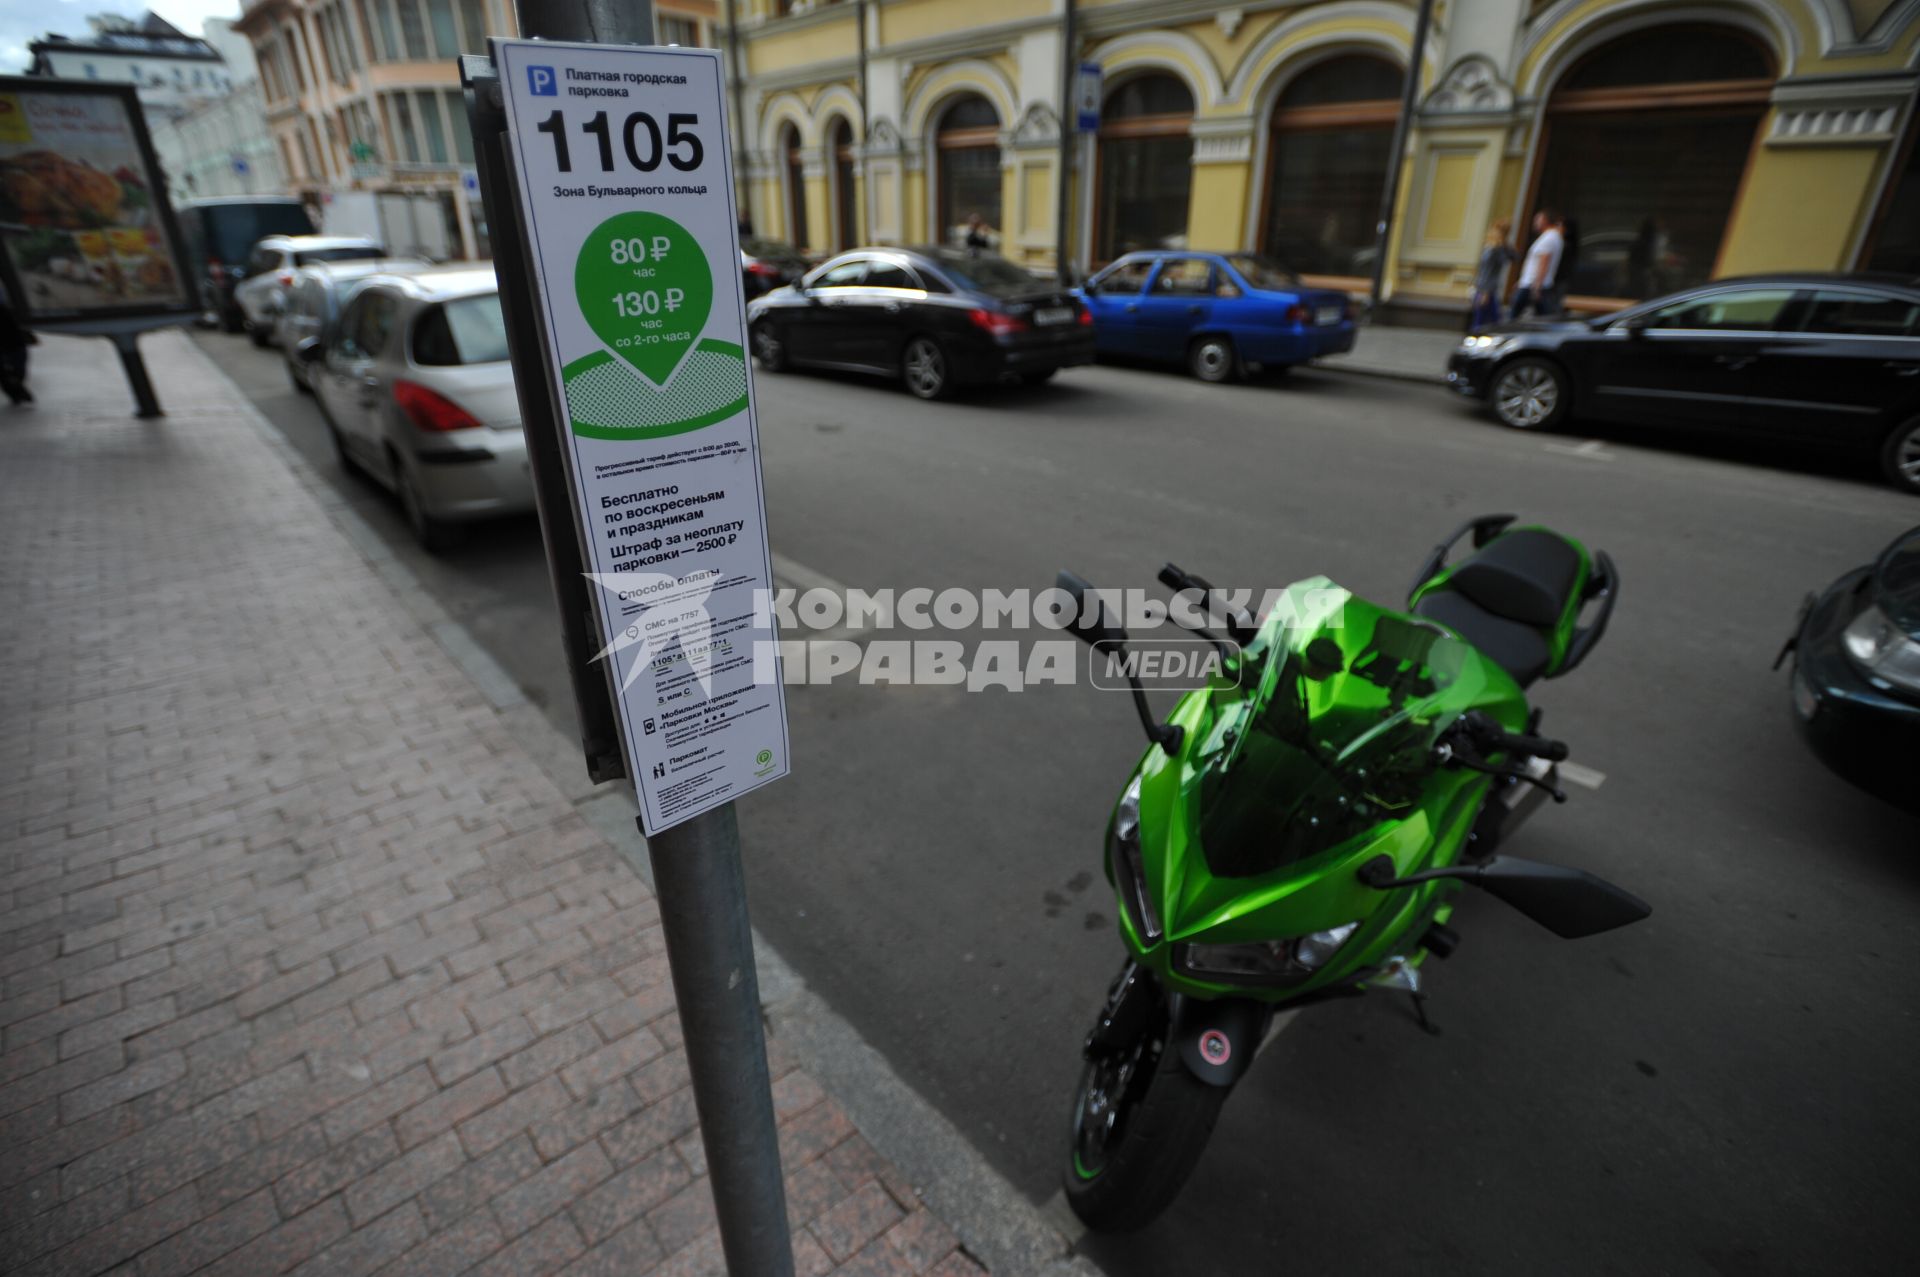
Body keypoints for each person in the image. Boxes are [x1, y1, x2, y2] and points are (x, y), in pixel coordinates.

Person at [1510, 208, 1564, 321]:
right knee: (1541, 316)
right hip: (1531, 283)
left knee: (1513, 316)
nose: (1535, 223)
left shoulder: (1549, 238)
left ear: (1545, 220)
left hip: (1532, 285)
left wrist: (1537, 286)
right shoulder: (1551, 237)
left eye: (1538, 219)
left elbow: (1544, 262)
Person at [1470, 219, 1514, 332]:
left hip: (1483, 288)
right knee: (1489, 319)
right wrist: (1485, 291)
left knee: (1485, 318)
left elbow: (1482, 270)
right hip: (1487, 290)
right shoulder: (1495, 250)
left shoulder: (1489, 247)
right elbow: (1488, 271)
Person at [0, 285, 31, 406]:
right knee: (10, 372)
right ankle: (17, 392)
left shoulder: (5, 311)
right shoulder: (6, 310)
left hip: (14, 344)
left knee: (15, 371)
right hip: (13, 345)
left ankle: (17, 391)